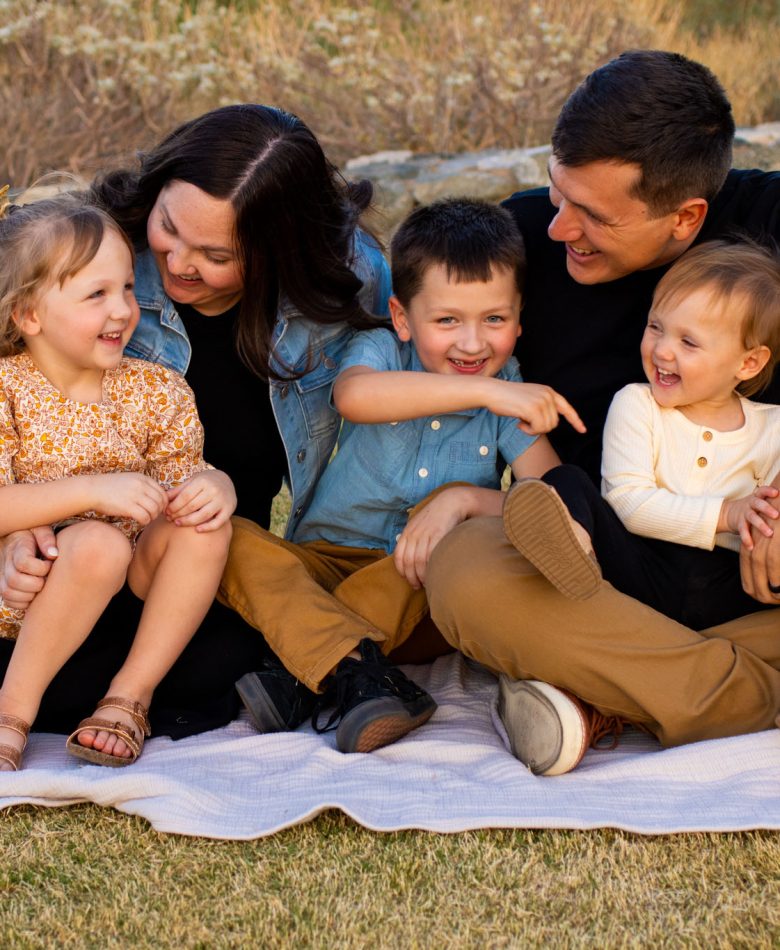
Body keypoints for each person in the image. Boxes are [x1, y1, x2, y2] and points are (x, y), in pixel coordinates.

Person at [422, 50, 780, 776]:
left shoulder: (769, 226)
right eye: (558, 195)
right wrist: (470, 497)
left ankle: (605, 694)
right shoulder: (517, 241)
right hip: (593, 569)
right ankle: (738, 691)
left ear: (687, 217)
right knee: (462, 572)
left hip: (748, 578)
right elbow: (396, 325)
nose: (559, 229)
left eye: (592, 215)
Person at [0, 105, 391, 742]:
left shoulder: (347, 280)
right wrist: (20, 532)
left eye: (215, 254)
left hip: (185, 569)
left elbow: (397, 409)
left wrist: (221, 491)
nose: (177, 263)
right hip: (46, 567)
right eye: (168, 229)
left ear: (277, 253)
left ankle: (128, 696)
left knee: (224, 646)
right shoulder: (94, 250)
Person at [220, 198, 584, 753]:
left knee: (435, 560)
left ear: (519, 316)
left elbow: (551, 501)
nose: (472, 343)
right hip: (325, 563)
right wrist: (487, 391)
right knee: (227, 538)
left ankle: (303, 671)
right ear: (401, 317)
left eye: (495, 319)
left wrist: (462, 501)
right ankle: (353, 670)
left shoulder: (512, 393)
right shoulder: (385, 350)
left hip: (417, 591)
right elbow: (354, 396)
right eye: (446, 321)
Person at [0, 195, 235, 770]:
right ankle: (12, 709)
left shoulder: (157, 391)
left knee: (202, 525)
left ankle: (129, 697)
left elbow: (184, 477)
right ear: (29, 314)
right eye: (96, 295)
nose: (123, 310)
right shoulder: (7, 389)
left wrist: (217, 485)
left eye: (128, 288)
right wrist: (93, 491)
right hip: (26, 605)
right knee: (98, 542)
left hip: (130, 598)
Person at [506, 240, 780, 646]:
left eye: (689, 342)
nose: (662, 349)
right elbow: (629, 504)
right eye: (656, 327)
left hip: (730, 584)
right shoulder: (637, 405)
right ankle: (575, 562)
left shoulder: (773, 427)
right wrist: (728, 514)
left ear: (748, 363)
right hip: (641, 569)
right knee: (563, 480)